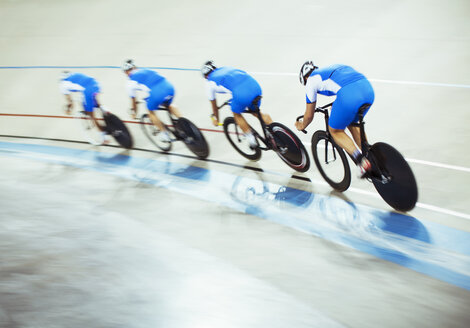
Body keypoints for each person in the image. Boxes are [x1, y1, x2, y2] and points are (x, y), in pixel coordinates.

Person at [295, 61, 375, 176]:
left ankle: (361, 162)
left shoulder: (311, 81)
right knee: (352, 123)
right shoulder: (333, 68)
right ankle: (371, 156)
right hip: (368, 90)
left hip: (348, 96)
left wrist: (301, 125)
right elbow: (343, 85)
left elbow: (308, 116)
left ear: (305, 77)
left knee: (335, 130)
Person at [201, 60, 273, 149]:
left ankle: (251, 138)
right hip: (255, 87)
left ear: (206, 76)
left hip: (241, 94)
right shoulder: (226, 68)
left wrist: (216, 119)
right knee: (256, 112)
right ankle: (276, 132)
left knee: (236, 113)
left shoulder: (209, 82)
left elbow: (214, 106)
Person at [122, 59, 181, 143]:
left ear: (126, 72)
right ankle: (184, 123)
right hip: (169, 87)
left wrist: (134, 113)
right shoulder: (147, 69)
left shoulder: (129, 83)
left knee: (150, 112)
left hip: (156, 93)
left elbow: (133, 101)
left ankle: (165, 134)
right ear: (135, 67)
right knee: (169, 104)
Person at [59, 71, 110, 144]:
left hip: (87, 91)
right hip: (96, 84)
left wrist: (68, 109)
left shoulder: (62, 84)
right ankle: (104, 109)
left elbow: (70, 103)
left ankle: (104, 138)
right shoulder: (75, 74)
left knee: (91, 116)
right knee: (93, 100)